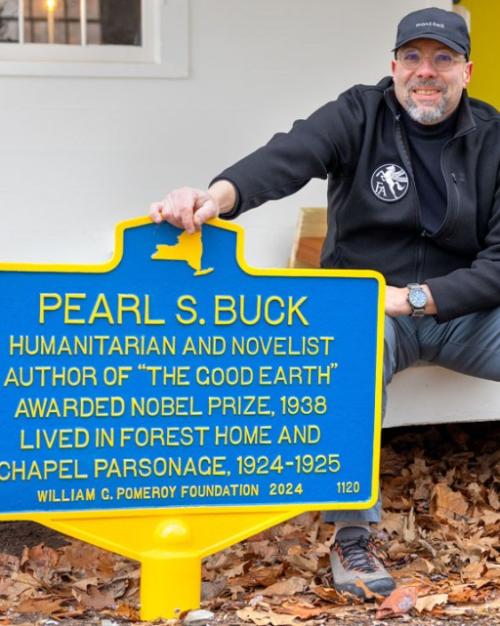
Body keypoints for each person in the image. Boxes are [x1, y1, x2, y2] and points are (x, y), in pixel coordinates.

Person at [150, 7, 500, 599]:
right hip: (365, 312)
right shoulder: (359, 112)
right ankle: (352, 537)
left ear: (467, 70)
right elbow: (287, 157)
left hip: (456, 309)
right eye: (412, 58)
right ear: (393, 67)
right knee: (348, 347)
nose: (426, 72)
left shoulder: (492, 137)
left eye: (442, 59)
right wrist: (216, 196)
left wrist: (418, 298)